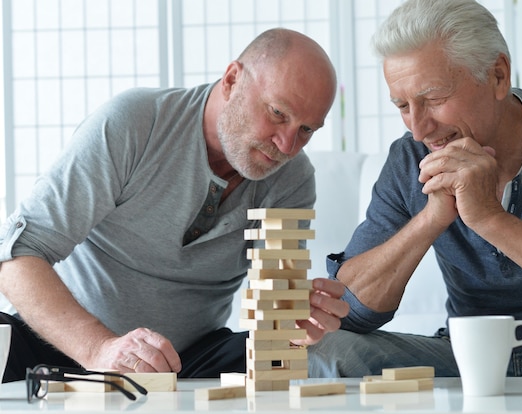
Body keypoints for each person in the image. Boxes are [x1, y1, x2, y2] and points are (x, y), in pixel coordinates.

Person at [306, 1, 522, 414]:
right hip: (462, 366)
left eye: (434, 98)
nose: (419, 128)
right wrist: (432, 217)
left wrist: (490, 219)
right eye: (402, 106)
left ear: (498, 75)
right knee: (325, 352)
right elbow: (349, 312)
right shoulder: (409, 160)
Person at [0, 28, 349, 382]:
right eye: (277, 113)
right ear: (232, 80)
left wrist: (292, 320)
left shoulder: (294, 180)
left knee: (293, 359)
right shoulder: (134, 124)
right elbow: (17, 256)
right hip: (58, 348)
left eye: (306, 129)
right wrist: (99, 349)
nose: (287, 145)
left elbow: (275, 315)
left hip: (185, 363)